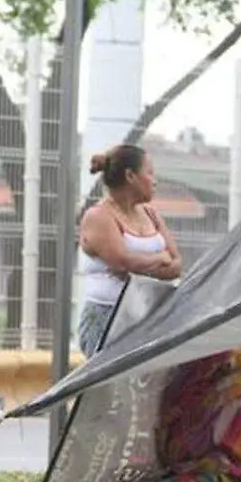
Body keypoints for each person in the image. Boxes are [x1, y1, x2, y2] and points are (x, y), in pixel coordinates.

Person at [77, 144, 182, 357]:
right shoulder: (99, 216)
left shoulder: (151, 214)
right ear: (130, 176)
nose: (155, 180)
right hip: (108, 318)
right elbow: (122, 262)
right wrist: (160, 259)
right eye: (149, 173)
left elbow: (176, 264)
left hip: (148, 316)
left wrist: (143, 268)